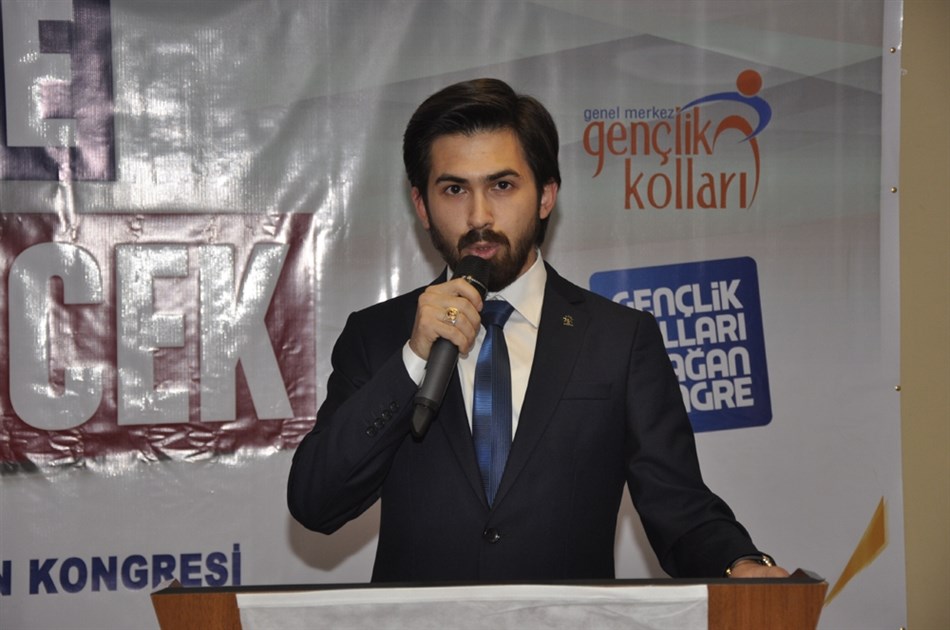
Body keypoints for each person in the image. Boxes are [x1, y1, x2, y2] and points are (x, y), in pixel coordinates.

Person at [287, 78, 789, 582]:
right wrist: (413, 359)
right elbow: (316, 502)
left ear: (546, 196)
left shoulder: (619, 339)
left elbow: (678, 504)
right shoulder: (376, 336)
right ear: (422, 206)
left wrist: (741, 563)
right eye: (454, 189)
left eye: (502, 186)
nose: (479, 216)